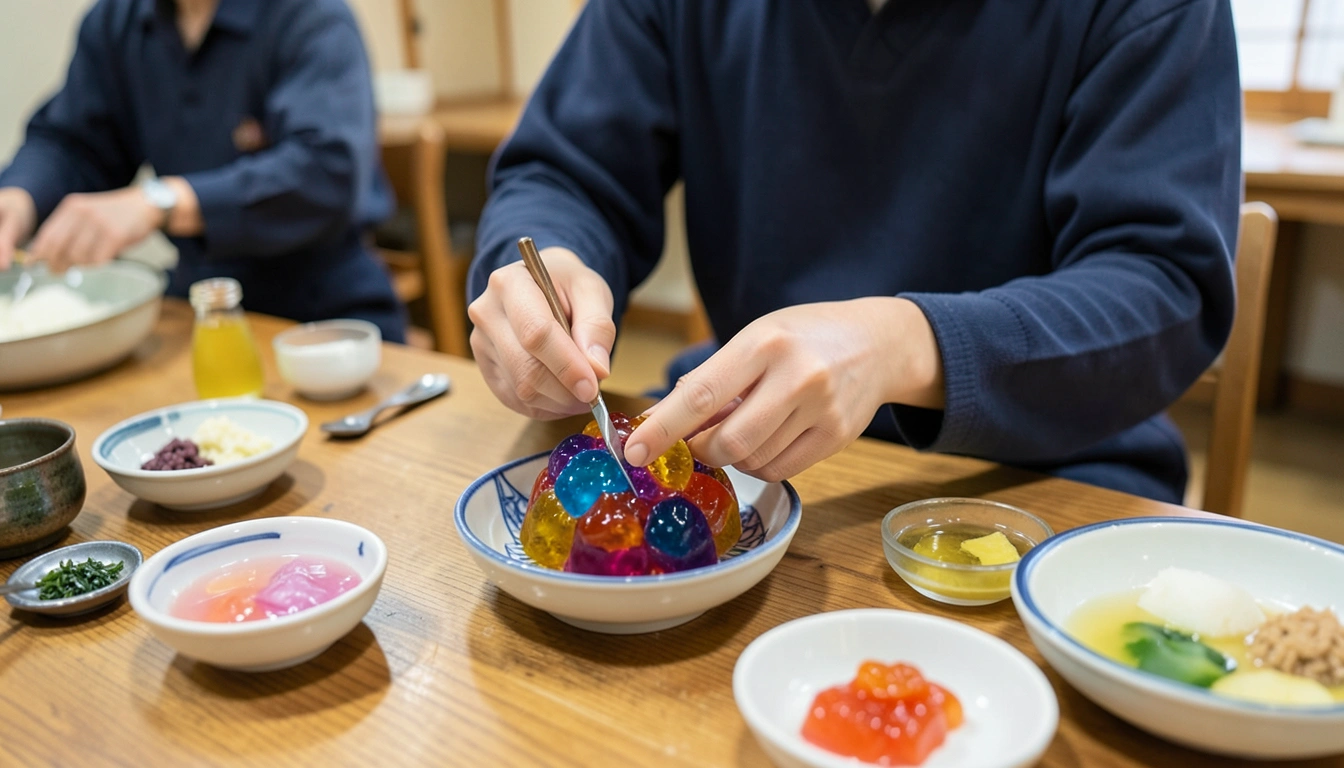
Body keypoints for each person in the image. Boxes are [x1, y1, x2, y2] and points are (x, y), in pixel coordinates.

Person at [467, 0, 1241, 504]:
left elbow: (1162, 286)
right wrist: (541, 274)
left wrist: (905, 345)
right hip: (740, 455)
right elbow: (562, 171)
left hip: (1045, 468)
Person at [0, 0, 406, 343]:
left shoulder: (311, 16)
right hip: (196, 309)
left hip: (323, 312)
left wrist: (159, 201)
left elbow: (325, 170)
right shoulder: (116, 21)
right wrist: (20, 198)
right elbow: (72, 143)